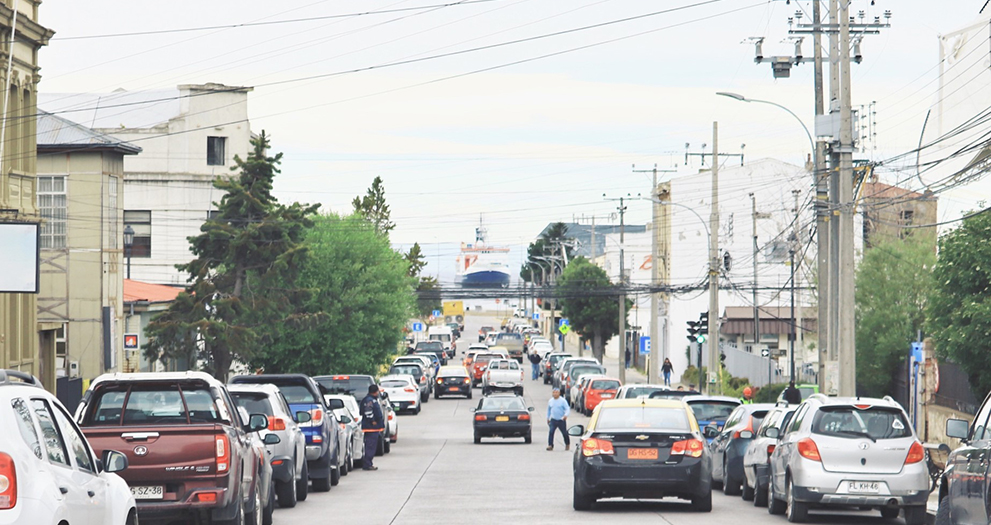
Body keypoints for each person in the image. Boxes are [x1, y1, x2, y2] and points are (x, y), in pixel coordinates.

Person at [360, 384, 385, 471]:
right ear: (375, 392)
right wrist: (372, 421)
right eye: (377, 391)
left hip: (373, 428)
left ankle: (368, 463)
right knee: (370, 446)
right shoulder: (369, 400)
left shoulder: (371, 400)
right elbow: (368, 412)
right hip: (371, 428)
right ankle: (367, 464)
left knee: (371, 446)